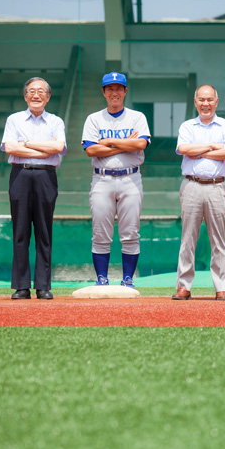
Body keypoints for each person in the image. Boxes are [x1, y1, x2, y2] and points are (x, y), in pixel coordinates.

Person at [82, 72, 150, 288]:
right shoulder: (94, 118)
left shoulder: (137, 116)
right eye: (110, 88)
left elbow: (140, 145)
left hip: (131, 178)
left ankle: (127, 278)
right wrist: (125, 143)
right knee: (100, 231)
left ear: (125, 91)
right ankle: (102, 278)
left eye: (118, 88)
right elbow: (91, 149)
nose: (114, 92)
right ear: (103, 92)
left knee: (130, 232)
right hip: (102, 179)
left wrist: (109, 141)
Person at [172, 85, 225, 301]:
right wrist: (212, 147)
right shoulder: (187, 126)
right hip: (191, 185)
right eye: (201, 99)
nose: (206, 104)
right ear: (195, 102)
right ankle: (184, 286)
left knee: (218, 240)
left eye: (210, 99)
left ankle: (221, 288)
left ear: (216, 102)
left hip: (217, 186)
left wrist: (199, 150)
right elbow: (184, 150)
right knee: (187, 239)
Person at [1, 77, 67, 300]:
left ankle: (42, 286)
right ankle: (21, 286)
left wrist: (26, 144)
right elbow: (10, 147)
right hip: (20, 174)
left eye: (41, 91)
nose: (36, 95)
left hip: (46, 177)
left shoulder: (56, 121)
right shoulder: (14, 119)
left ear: (48, 96)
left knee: (44, 232)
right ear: (25, 95)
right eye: (31, 91)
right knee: (20, 231)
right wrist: (43, 150)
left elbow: (58, 147)